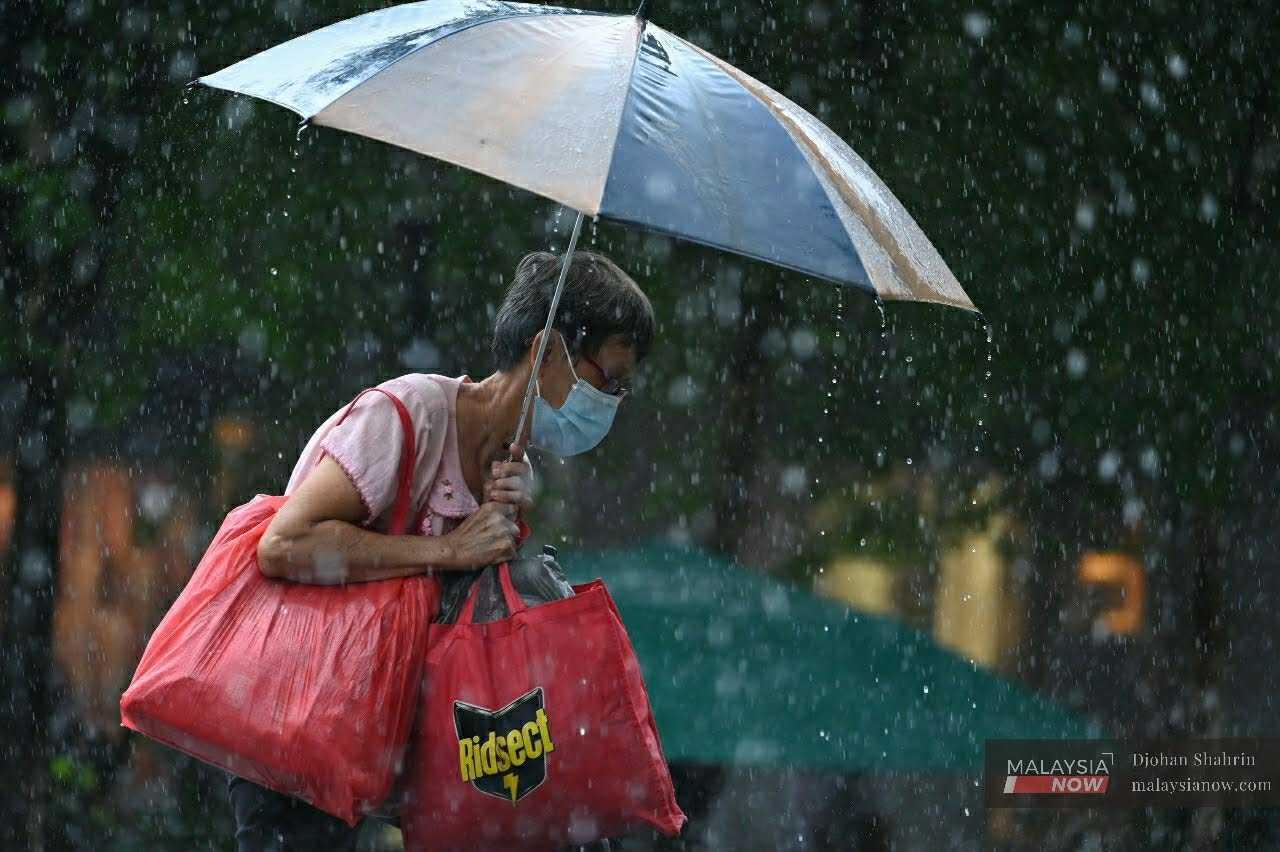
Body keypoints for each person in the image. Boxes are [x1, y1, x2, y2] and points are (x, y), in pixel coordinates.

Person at [226, 249, 655, 851]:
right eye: (606, 379)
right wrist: (452, 548)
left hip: (380, 731)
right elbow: (284, 545)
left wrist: (501, 536)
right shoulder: (407, 416)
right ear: (545, 352)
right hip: (298, 714)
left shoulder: (511, 466)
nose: (610, 401)